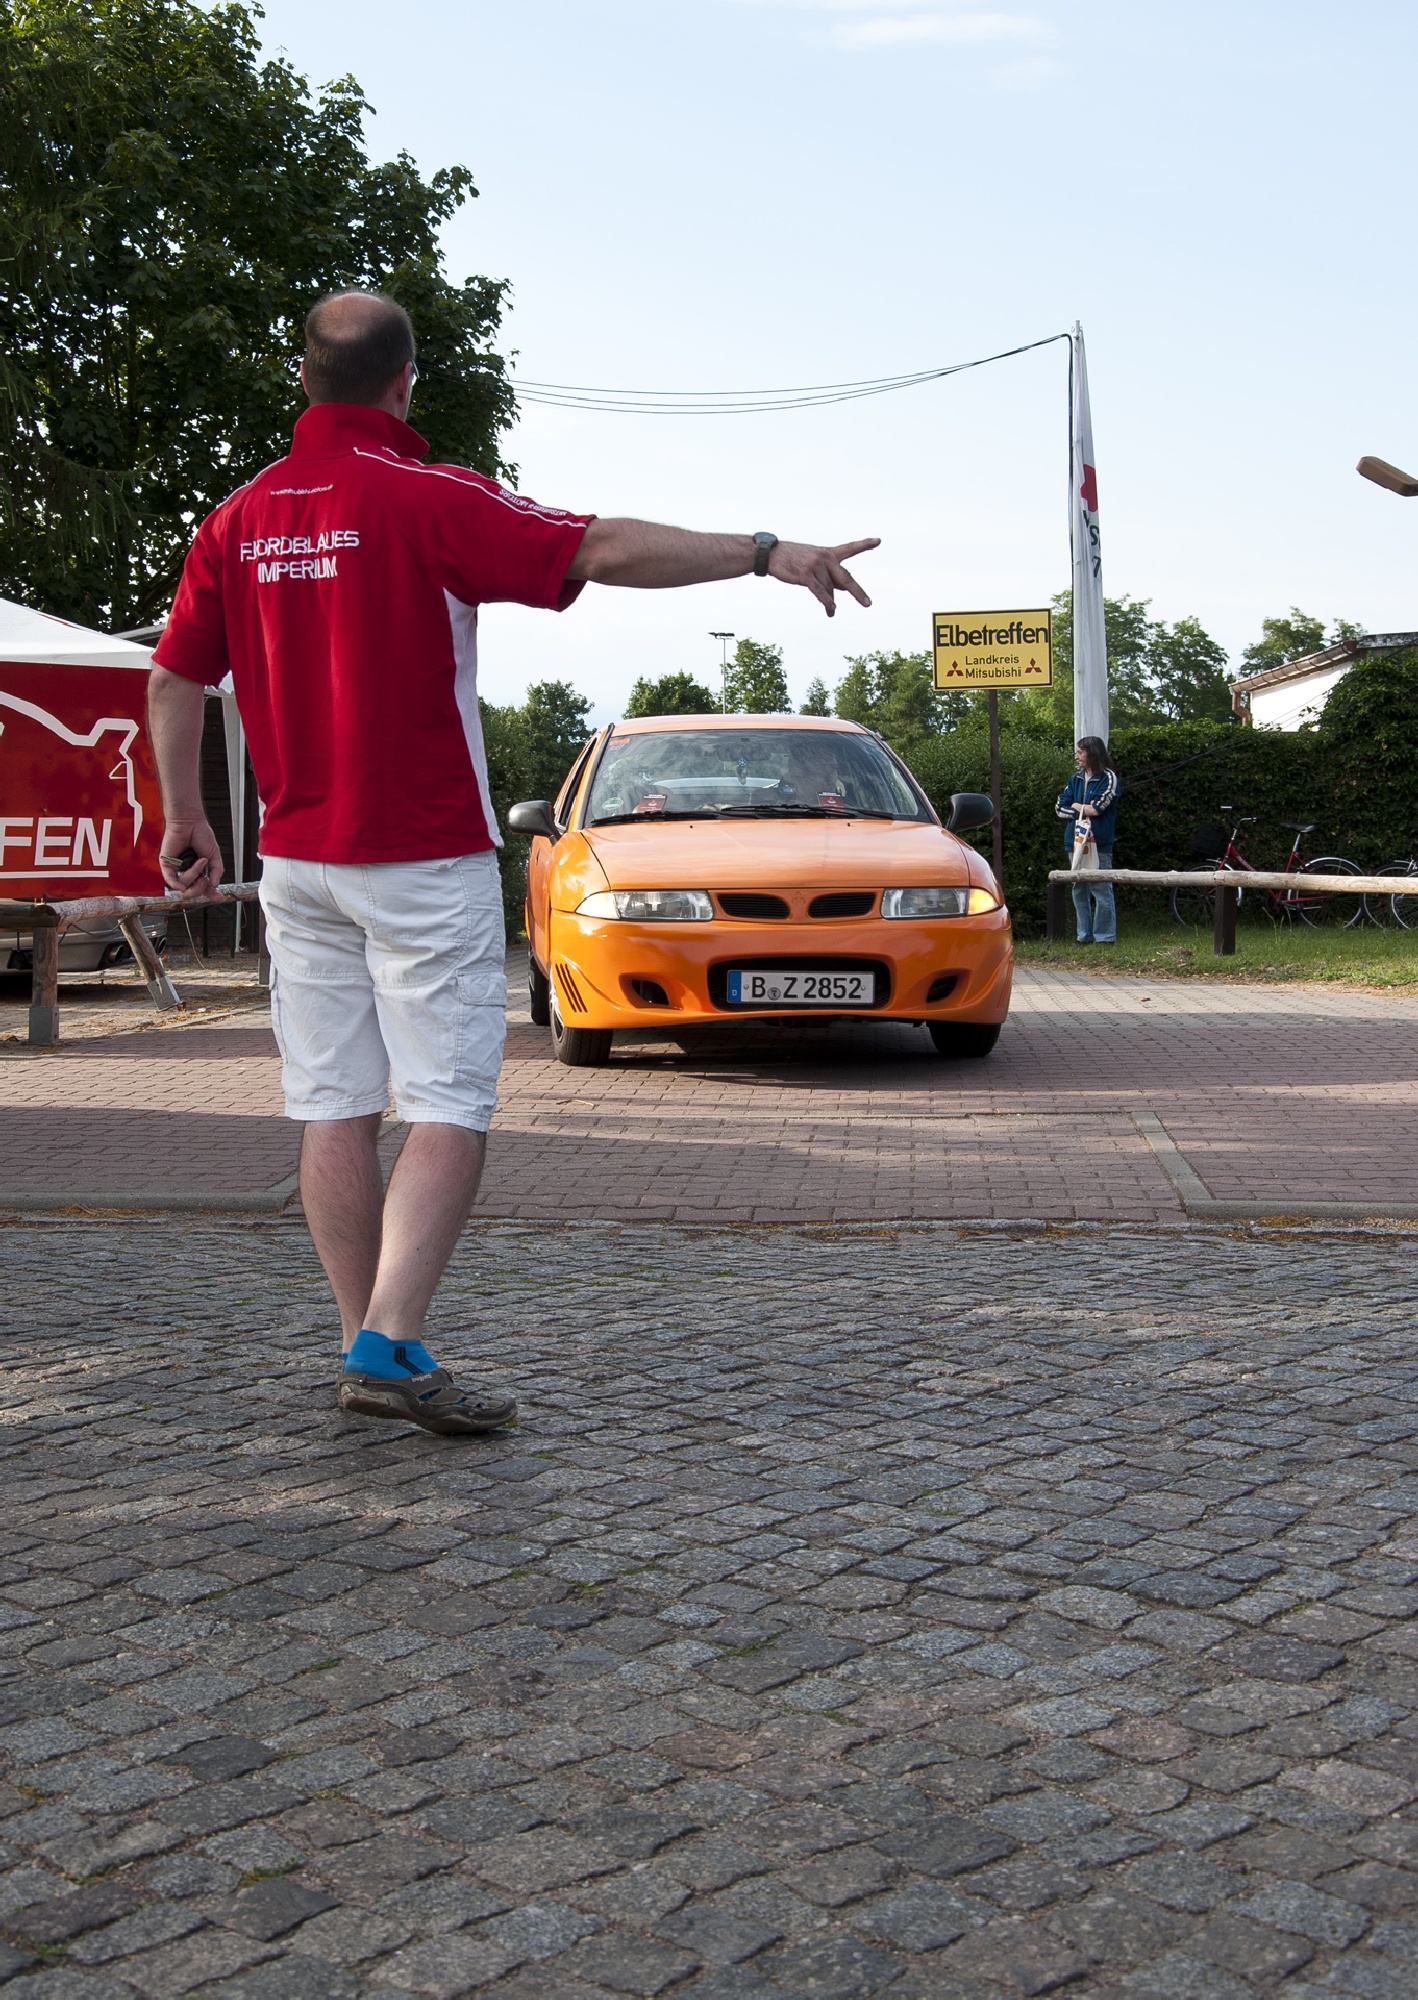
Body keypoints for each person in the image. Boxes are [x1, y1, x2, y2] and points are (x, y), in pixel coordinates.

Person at [147, 288, 879, 1437]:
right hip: (420, 851)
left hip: (295, 860)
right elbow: (598, 546)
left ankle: (364, 1339)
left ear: (304, 379)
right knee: (446, 1104)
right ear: (404, 383)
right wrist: (761, 553)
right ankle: (389, 1340)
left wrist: (185, 814)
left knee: (333, 1106)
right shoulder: (428, 496)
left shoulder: (235, 520)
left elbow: (174, 676)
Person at [1056, 736, 1120, 944]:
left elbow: (1099, 808)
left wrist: (1077, 806)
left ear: (1093, 753)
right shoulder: (1074, 779)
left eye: (1081, 752)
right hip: (1074, 842)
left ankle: (1105, 937)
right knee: (1079, 888)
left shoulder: (1108, 778)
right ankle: (1083, 936)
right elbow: (1060, 807)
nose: (1077, 756)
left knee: (1101, 887)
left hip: (1099, 842)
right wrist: (1083, 809)